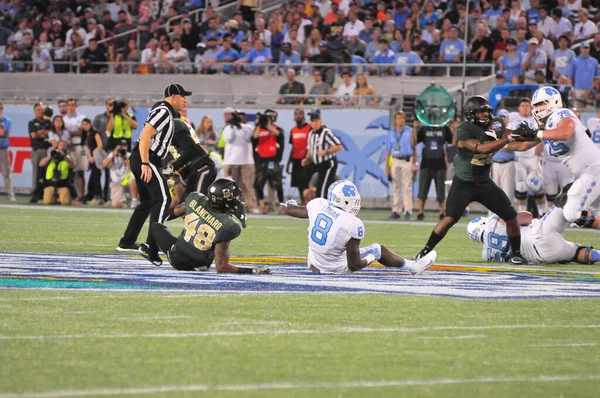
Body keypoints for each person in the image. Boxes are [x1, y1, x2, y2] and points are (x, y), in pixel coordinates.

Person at [414, 95, 526, 264]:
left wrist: (538, 135)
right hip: (464, 183)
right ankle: (424, 252)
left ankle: (516, 253)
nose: (484, 115)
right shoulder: (464, 130)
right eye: (480, 112)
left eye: (486, 111)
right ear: (470, 114)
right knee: (449, 218)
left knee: (511, 216)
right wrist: (510, 138)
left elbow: (517, 140)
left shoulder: (496, 124)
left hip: (484, 182)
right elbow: (483, 148)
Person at [282, 179, 437, 274]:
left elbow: (294, 210)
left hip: (314, 262)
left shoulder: (317, 204)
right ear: (345, 201)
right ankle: (414, 267)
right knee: (379, 248)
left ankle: (413, 266)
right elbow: (354, 265)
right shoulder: (352, 224)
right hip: (334, 269)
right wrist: (372, 256)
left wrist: (290, 204)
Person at [118, 83, 191, 264]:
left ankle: (127, 241)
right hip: (146, 158)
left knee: (148, 202)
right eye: (183, 96)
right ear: (173, 96)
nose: (185, 100)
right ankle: (152, 244)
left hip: (146, 158)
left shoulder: (165, 111)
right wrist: (145, 163)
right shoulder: (164, 111)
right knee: (164, 198)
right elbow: (145, 135)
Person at [147, 178, 270, 274]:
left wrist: (195, 214)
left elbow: (170, 214)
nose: (236, 201)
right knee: (216, 238)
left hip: (177, 258)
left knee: (156, 226)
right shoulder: (230, 226)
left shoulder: (195, 198)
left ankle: (151, 254)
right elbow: (221, 267)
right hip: (200, 264)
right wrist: (252, 270)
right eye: (234, 198)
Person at [516, 86, 600, 226]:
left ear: (553, 101)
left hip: (593, 170)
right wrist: (501, 139)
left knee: (571, 212)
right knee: (583, 210)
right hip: (586, 172)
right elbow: (522, 146)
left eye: (540, 103)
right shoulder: (546, 127)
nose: (537, 108)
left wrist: (537, 133)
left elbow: (566, 132)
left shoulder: (560, 113)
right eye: (535, 105)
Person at [467, 204, 600, 265]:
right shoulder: (492, 222)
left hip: (543, 257)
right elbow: (527, 217)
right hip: (538, 234)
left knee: (576, 253)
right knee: (567, 205)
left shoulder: (487, 256)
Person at [510, 98, 545, 216]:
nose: (525, 108)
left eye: (527, 105)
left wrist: (536, 159)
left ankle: (541, 214)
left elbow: (540, 140)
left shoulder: (536, 121)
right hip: (518, 158)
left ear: (531, 107)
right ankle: (521, 214)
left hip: (532, 158)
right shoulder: (513, 120)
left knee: (538, 187)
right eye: (523, 105)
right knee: (521, 187)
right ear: (519, 108)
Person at [414, 118, 453, 221]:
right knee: (422, 189)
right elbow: (414, 141)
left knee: (440, 190)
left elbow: (452, 141)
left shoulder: (444, 128)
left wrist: (456, 129)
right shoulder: (424, 128)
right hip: (426, 163)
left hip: (440, 164)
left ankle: (442, 212)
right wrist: (414, 128)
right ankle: (420, 212)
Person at [167, 118, 217, 198]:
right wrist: (179, 175)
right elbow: (190, 161)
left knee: (196, 200)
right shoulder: (175, 142)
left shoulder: (177, 132)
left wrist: (173, 167)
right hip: (195, 168)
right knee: (185, 202)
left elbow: (191, 151)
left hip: (203, 167)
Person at [222, 110, 258, 213]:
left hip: (246, 161)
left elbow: (247, 138)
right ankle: (230, 206)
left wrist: (240, 126)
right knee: (231, 186)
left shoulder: (248, 127)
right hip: (231, 161)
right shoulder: (228, 128)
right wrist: (233, 127)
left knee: (248, 186)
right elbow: (229, 139)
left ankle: (252, 206)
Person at [302, 109, 343, 199]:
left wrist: (326, 152)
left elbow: (339, 146)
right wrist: (307, 159)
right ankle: (321, 206)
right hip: (319, 165)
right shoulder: (311, 134)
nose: (315, 123)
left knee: (324, 187)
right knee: (320, 186)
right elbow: (310, 149)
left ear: (320, 122)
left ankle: (322, 207)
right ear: (310, 123)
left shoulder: (326, 133)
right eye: (313, 121)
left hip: (329, 163)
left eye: (316, 121)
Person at [385, 111, 417, 220]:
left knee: (407, 186)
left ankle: (408, 210)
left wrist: (415, 163)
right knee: (396, 187)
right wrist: (387, 166)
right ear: (395, 120)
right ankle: (396, 210)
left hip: (407, 159)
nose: (400, 120)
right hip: (395, 160)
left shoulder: (410, 131)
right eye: (398, 118)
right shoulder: (391, 133)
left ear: (404, 119)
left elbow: (414, 146)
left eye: (402, 118)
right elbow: (388, 151)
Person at [252, 109, 284, 213]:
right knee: (258, 184)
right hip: (261, 161)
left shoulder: (276, 128)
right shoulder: (258, 129)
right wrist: (259, 124)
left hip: (272, 160)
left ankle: (282, 206)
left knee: (277, 184)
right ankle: (262, 205)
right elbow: (255, 137)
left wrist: (268, 125)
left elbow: (278, 134)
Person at [63, 99, 87, 203]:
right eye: (69, 105)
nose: (71, 107)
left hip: (79, 146)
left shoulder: (81, 117)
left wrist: (72, 133)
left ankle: (81, 195)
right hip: (68, 147)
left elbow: (84, 132)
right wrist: (76, 132)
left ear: (76, 106)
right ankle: (71, 195)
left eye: (73, 105)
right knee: (70, 172)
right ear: (67, 106)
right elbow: (63, 133)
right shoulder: (63, 119)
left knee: (80, 172)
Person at [103, 139, 139, 209]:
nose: (123, 148)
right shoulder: (111, 155)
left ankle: (134, 200)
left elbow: (132, 168)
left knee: (133, 178)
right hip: (117, 182)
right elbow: (104, 165)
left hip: (126, 179)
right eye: (121, 146)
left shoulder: (129, 155)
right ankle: (126, 199)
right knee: (116, 205)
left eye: (125, 146)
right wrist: (113, 155)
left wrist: (124, 158)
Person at [490, 109, 516, 206]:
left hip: (508, 163)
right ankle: (491, 217)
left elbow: (513, 147)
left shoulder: (512, 130)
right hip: (495, 163)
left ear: (508, 119)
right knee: (492, 192)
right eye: (500, 117)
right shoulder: (493, 130)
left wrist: (497, 145)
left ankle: (508, 218)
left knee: (508, 192)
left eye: (504, 117)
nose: (502, 119)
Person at [28, 103, 51, 202]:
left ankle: (46, 194)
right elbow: (33, 135)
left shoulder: (48, 122)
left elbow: (50, 133)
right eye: (38, 110)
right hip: (37, 150)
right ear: (34, 111)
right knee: (36, 172)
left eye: (41, 110)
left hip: (47, 150)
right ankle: (34, 194)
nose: (40, 111)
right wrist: (44, 133)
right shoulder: (32, 122)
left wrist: (40, 133)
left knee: (47, 172)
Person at [287, 108, 312, 203]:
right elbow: (293, 146)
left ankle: (309, 202)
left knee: (307, 183)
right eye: (296, 114)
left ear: (303, 116)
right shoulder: (293, 130)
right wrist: (289, 162)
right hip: (296, 160)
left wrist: (308, 158)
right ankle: (303, 202)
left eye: (300, 114)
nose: (297, 116)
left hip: (306, 160)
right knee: (299, 184)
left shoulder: (309, 128)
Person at [39, 140, 75, 206]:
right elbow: (41, 164)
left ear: (66, 148)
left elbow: (72, 166)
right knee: (47, 202)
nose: (62, 147)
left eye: (64, 146)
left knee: (66, 202)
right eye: (60, 145)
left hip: (63, 185)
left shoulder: (68, 157)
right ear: (57, 147)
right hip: (50, 184)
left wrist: (64, 156)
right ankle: (54, 199)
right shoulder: (50, 157)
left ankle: (59, 199)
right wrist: (51, 155)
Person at [83, 118, 104, 205]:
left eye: (86, 124)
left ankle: (98, 196)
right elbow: (86, 147)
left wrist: (95, 157)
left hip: (97, 158)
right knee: (93, 177)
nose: (85, 126)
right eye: (83, 124)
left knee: (96, 176)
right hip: (92, 158)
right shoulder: (85, 134)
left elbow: (100, 146)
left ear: (90, 124)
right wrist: (90, 157)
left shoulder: (95, 133)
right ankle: (91, 195)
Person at [0, 104, 14, 201]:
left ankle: (11, 196)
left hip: (3, 149)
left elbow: (2, 133)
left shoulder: (7, 120)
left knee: (6, 173)